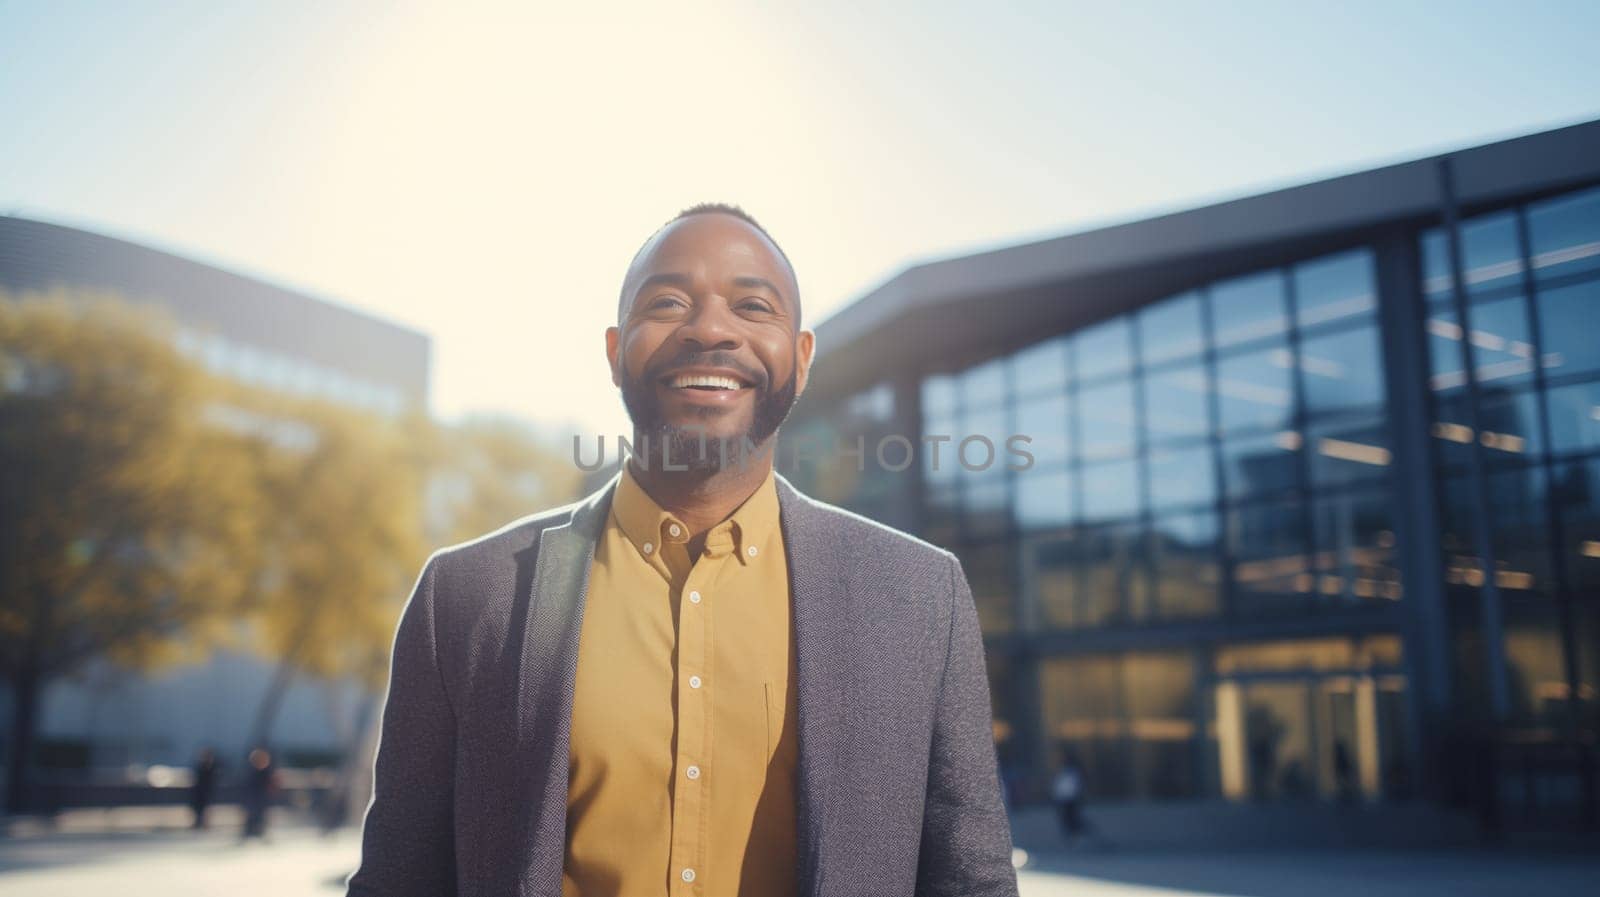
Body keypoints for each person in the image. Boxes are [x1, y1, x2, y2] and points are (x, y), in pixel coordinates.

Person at [346, 204, 1020, 896]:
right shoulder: (466, 596)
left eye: (753, 305)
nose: (710, 329)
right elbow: (399, 878)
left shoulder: (918, 597)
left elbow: (971, 882)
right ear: (615, 351)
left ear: (803, 356)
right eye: (669, 302)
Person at [239, 746, 280, 842]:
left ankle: (259, 831)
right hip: (254, 799)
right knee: (252, 815)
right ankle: (250, 831)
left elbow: (271, 785)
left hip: (261, 799)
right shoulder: (252, 772)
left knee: (261, 815)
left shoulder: (266, 772)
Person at [1050, 751, 1088, 844]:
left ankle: (1078, 835)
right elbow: (1058, 786)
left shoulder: (1072, 773)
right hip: (1063, 800)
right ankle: (1072, 837)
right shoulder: (1062, 773)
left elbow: (1076, 786)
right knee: (1066, 819)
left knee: (1072, 818)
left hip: (1071, 799)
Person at [189, 746, 220, 830]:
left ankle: (203, 823)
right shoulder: (201, 767)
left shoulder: (211, 767)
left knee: (205, 809)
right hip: (200, 792)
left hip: (206, 792)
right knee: (199, 809)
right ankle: (198, 823)